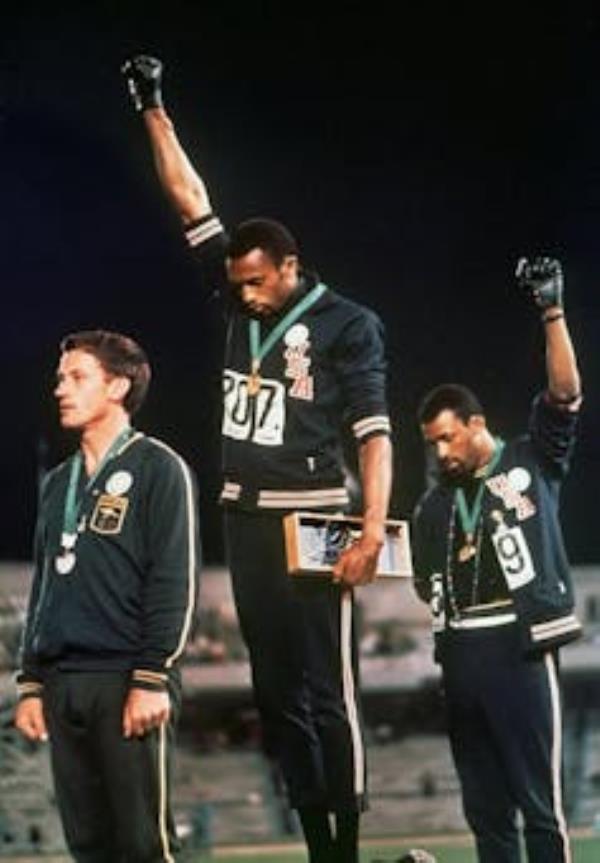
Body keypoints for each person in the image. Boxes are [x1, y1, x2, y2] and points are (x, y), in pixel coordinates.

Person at [122, 56, 393, 863]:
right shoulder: (239, 293)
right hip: (244, 518)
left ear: (288, 266)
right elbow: (191, 201)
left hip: (313, 520)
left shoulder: (350, 325)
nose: (240, 296)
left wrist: (371, 528)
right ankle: (316, 843)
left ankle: (345, 845)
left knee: (326, 692)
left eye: (253, 283)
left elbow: (375, 433)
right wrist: (153, 107)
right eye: (234, 284)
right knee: (278, 697)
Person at [411, 256, 582, 863]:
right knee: (485, 814)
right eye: (432, 442)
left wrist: (551, 311)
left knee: (539, 808)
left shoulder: (530, 461)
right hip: (459, 656)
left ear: (477, 424)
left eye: (448, 437)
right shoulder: (432, 507)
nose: (441, 451)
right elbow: (422, 582)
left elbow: (563, 395)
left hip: (519, 646)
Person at [14, 330, 200, 862]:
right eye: (59, 378)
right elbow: (44, 587)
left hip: (127, 681)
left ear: (118, 386)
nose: (60, 390)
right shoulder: (57, 484)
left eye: (77, 377)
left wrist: (152, 676)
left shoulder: (159, 468)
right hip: (62, 682)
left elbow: (173, 582)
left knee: (144, 844)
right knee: (89, 847)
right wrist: (31, 683)